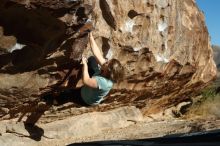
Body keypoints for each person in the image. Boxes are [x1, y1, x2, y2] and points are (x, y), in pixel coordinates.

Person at [43, 32, 124, 106]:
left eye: (107, 63)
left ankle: (54, 101)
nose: (105, 61)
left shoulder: (103, 83)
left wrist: (84, 65)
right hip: (93, 83)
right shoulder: (106, 71)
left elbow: (86, 81)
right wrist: (91, 37)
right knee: (92, 59)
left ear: (108, 71)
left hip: (85, 98)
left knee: (68, 94)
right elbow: (97, 53)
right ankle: (88, 72)